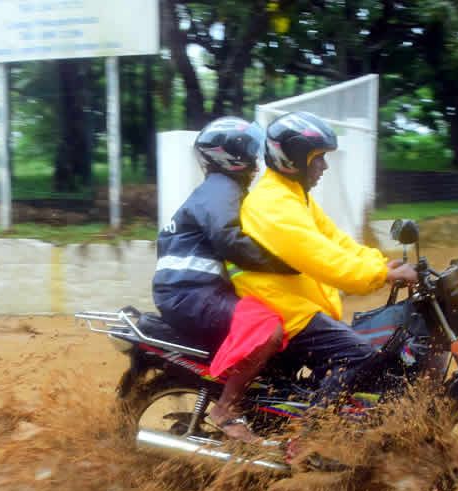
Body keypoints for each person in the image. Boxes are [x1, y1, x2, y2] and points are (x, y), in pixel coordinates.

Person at [228, 111, 418, 414]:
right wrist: (380, 275)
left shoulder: (293, 195)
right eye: (318, 158)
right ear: (292, 160)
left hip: (293, 301)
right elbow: (323, 260)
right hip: (280, 306)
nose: (324, 167)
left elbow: (335, 241)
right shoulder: (273, 204)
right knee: (360, 356)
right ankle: (310, 439)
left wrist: (381, 263)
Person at [152, 117, 296, 442]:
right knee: (268, 328)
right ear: (230, 156)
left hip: (189, 292)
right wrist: (285, 264)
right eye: (251, 153)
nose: (257, 162)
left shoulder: (218, 190)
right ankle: (227, 408)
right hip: (190, 295)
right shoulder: (222, 188)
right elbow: (228, 238)